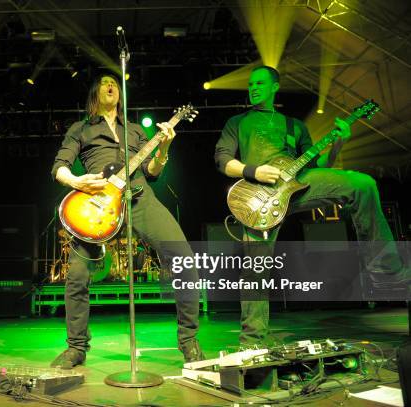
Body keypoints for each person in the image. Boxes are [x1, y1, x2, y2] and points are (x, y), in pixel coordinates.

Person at [214, 65, 409, 345]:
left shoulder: (295, 125)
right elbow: (223, 161)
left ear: (274, 87)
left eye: (260, 83)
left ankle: (386, 268)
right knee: (256, 267)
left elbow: (318, 168)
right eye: (251, 84)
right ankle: (253, 341)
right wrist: (254, 171)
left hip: (298, 188)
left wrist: (338, 144)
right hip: (259, 199)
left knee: (363, 184)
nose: (253, 87)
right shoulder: (238, 122)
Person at [50, 74, 204, 368]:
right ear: (96, 91)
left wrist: (164, 147)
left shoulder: (135, 131)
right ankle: (76, 348)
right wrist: (78, 182)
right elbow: (60, 168)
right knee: (77, 276)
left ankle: (189, 341)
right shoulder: (81, 129)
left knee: (185, 260)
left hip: (140, 196)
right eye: (106, 82)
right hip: (98, 203)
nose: (112, 85)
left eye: (115, 82)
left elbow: (154, 171)